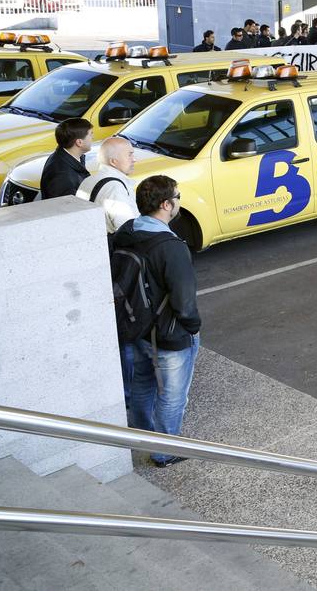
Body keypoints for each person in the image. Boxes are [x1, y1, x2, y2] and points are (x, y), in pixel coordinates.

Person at [112, 176, 201, 467]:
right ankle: (164, 451)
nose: (178, 200)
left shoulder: (127, 232)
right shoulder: (170, 246)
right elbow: (184, 299)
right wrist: (192, 327)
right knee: (173, 396)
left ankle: (142, 435)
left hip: (136, 326)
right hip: (168, 334)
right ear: (166, 204)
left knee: (142, 383)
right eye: (177, 195)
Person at [77, 136, 138, 233]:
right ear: (113, 162)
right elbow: (129, 229)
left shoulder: (88, 180)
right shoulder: (115, 188)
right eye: (129, 155)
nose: (134, 159)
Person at [41, 118, 93, 200]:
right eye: (90, 134)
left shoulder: (67, 156)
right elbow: (64, 208)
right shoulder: (62, 176)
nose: (92, 137)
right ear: (79, 142)